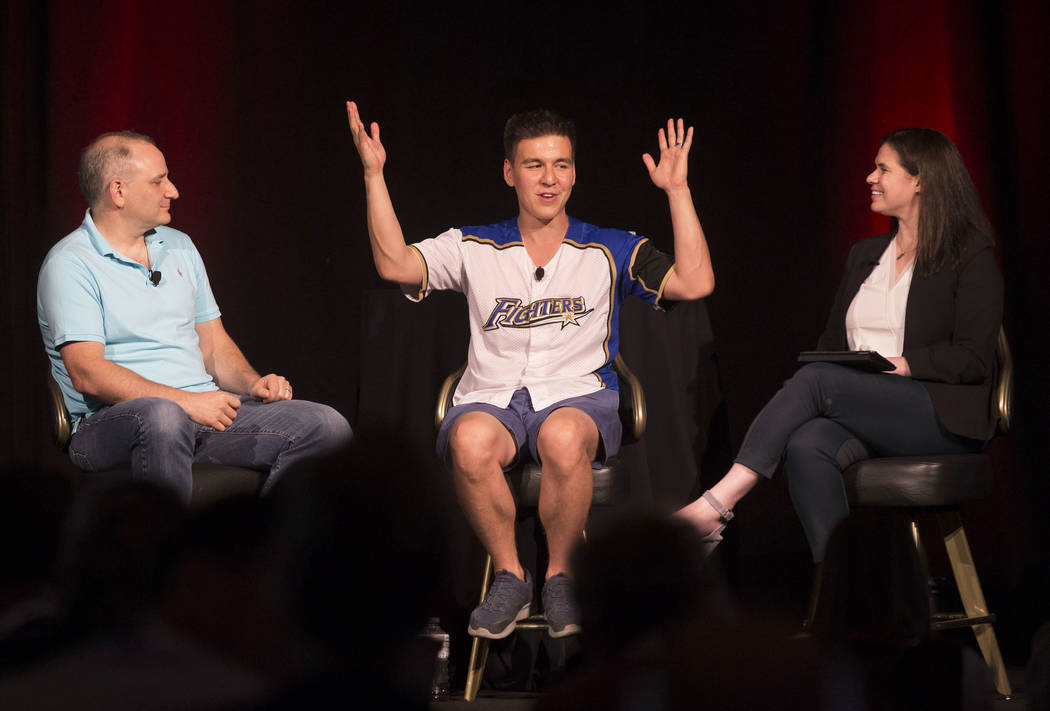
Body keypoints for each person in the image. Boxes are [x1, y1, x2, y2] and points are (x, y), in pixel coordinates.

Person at [346, 101, 714, 640]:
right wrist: (374, 175)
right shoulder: (473, 244)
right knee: (469, 441)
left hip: (578, 396)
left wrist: (678, 193)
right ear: (509, 172)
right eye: (535, 164)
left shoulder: (609, 247)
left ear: (574, 173)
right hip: (491, 397)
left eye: (561, 165)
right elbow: (394, 264)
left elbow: (695, 282)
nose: (549, 178)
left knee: (564, 437)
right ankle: (512, 575)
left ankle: (560, 575)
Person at [676, 128, 1003, 564]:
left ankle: (716, 505)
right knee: (806, 445)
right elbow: (831, 345)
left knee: (817, 380)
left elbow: (974, 358)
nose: (871, 177)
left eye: (883, 169)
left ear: (920, 179)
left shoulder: (969, 254)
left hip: (939, 414)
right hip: (866, 407)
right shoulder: (866, 254)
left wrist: (904, 364)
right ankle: (848, 599)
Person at [37, 132, 353, 504]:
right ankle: (168, 554)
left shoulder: (179, 246)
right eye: (159, 181)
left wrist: (253, 384)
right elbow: (87, 371)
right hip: (111, 423)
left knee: (326, 426)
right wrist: (183, 402)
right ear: (118, 191)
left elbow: (213, 344)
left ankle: (263, 549)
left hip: (200, 410)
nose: (173, 191)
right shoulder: (70, 263)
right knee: (162, 417)